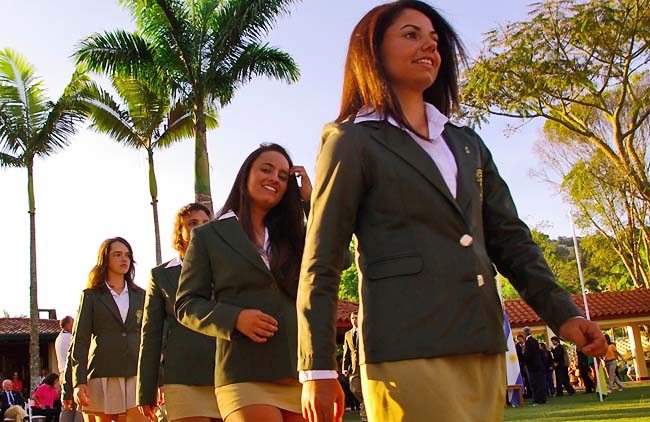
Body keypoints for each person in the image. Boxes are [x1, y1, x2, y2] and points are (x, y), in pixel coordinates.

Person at [295, 2, 608, 421]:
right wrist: (317, 367)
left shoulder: (466, 142)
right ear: (371, 50)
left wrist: (563, 313)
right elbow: (322, 260)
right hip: (407, 349)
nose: (429, 45)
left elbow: (511, 240)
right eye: (410, 34)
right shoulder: (351, 141)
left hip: (483, 342)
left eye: (435, 40)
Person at [176, 144, 312, 422]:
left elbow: (340, 258)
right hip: (244, 371)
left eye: (284, 176)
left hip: (300, 371)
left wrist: (312, 203)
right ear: (246, 174)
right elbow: (187, 304)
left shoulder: (295, 234)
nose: (274, 178)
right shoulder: (208, 236)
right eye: (266, 169)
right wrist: (234, 319)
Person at [136, 203, 222, 422]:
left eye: (205, 223)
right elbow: (151, 335)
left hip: (230, 375)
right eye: (192, 223)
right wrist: (146, 390)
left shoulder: (229, 267)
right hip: (184, 378)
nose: (200, 228)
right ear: (179, 233)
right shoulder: (161, 276)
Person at [68, 237, 147, 422]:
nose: (124, 259)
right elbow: (80, 340)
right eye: (117, 255)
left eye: (127, 255)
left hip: (136, 373)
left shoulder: (141, 295)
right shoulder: (91, 296)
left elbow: (150, 337)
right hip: (101, 373)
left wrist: (156, 378)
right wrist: (79, 382)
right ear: (105, 259)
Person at [341, 312, 365, 422]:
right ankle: (365, 405)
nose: (354, 320)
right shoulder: (348, 334)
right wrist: (344, 368)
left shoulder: (365, 330)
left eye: (356, 318)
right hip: (354, 367)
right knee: (354, 388)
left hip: (366, 365)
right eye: (352, 318)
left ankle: (364, 415)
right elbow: (346, 353)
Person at [523, 328, 546, 406]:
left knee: (534, 383)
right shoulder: (534, 341)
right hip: (537, 365)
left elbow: (529, 355)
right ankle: (541, 399)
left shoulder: (529, 342)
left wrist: (524, 359)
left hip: (533, 366)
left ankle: (537, 400)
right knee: (539, 383)